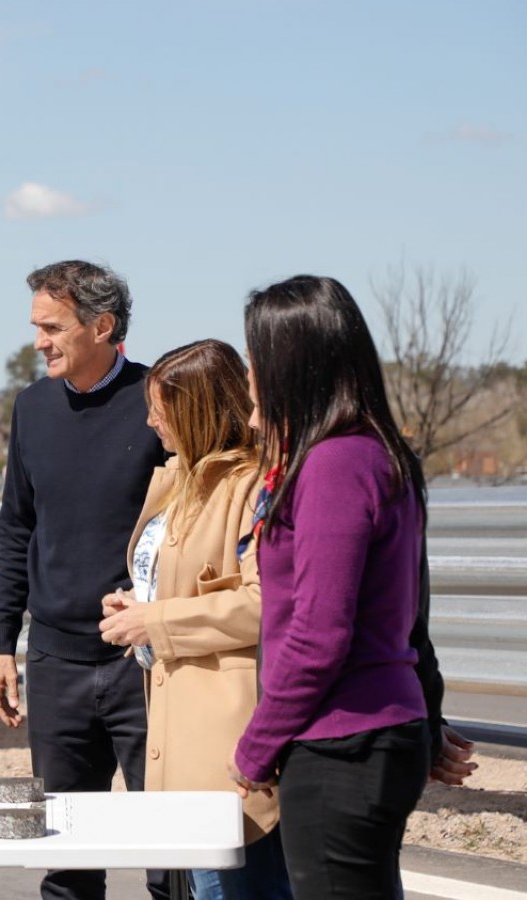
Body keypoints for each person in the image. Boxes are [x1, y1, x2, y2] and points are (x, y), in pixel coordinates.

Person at [229, 275, 476, 898]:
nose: (250, 376)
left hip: (343, 741)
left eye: (256, 360)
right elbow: (408, 615)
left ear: (291, 364)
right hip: (370, 733)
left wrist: (256, 747)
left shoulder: (335, 464)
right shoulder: (373, 453)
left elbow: (319, 634)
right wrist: (425, 715)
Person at [0, 260, 169, 900]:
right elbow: (17, 529)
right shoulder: (31, 408)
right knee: (65, 858)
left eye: (53, 327)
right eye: (37, 327)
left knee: (169, 856)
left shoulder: (159, 401)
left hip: (144, 663)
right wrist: (1, 644)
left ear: (103, 326)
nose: (39, 342)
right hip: (56, 662)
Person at [98, 340, 289, 899]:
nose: (151, 419)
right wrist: (138, 602)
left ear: (199, 409)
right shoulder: (178, 482)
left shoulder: (253, 486)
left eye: (162, 407)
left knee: (240, 889)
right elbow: (183, 585)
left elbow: (265, 602)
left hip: (228, 734)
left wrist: (154, 621)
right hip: (176, 722)